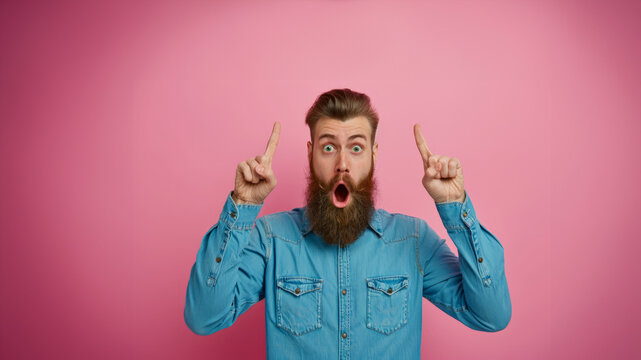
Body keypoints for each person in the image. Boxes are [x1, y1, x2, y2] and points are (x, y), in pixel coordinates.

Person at [184, 89, 511, 359]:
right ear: (311, 154)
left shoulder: (413, 240)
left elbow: (490, 315)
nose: (342, 164)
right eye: (329, 148)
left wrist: (453, 206)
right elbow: (204, 318)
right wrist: (243, 205)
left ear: (373, 155)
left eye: (356, 148)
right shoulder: (271, 239)